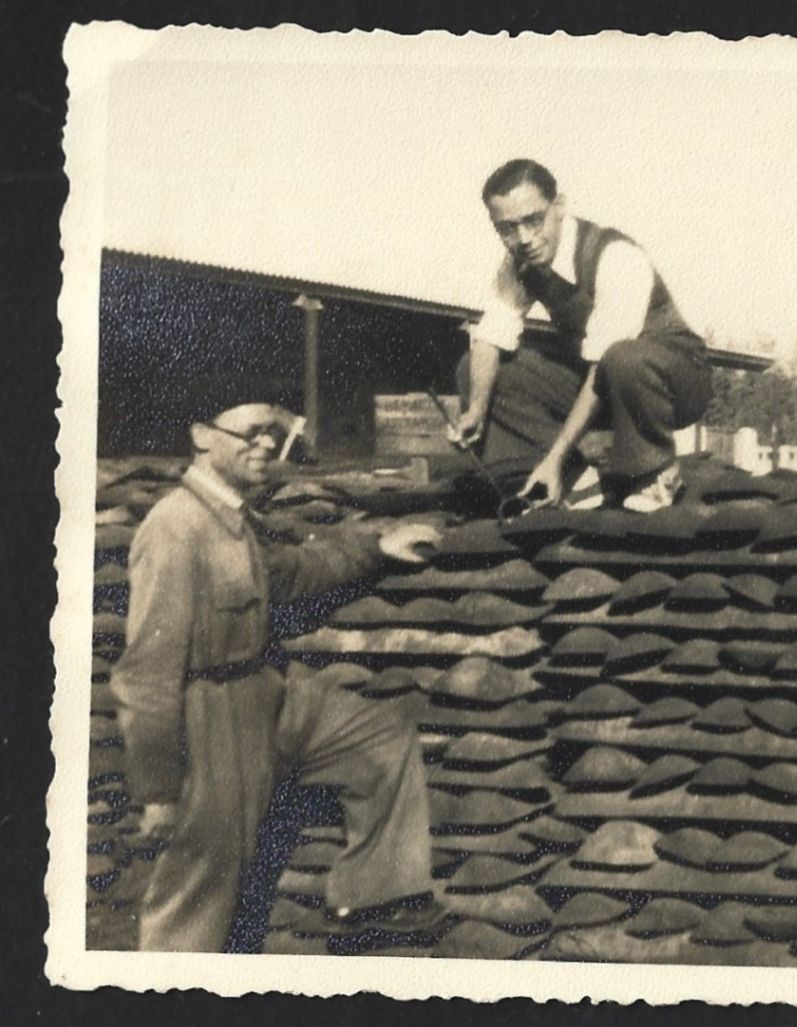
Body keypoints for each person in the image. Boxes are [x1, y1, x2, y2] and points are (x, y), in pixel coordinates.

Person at [110, 402, 447, 952]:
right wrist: (158, 789)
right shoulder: (176, 527)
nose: (266, 444)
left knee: (380, 735)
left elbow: (295, 572)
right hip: (211, 711)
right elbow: (146, 668)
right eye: (250, 433)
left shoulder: (237, 517)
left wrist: (375, 549)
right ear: (202, 437)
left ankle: (373, 897)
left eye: (272, 433)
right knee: (203, 885)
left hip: (268, 691)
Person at [450, 158, 713, 512]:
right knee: (478, 367)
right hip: (606, 378)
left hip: (674, 382)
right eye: (507, 228)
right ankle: (558, 482)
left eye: (533, 220)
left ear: (559, 206)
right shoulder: (517, 265)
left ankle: (656, 472)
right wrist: (476, 411)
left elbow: (605, 361)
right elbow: (491, 335)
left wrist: (556, 454)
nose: (523, 238)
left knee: (623, 357)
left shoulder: (614, 255)